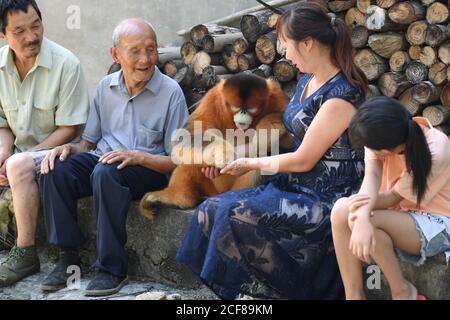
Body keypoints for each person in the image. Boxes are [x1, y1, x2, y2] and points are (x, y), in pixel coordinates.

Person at [176, 2, 368, 300]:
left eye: (286, 43)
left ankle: (274, 291)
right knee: (210, 209)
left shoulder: (341, 95)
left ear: (307, 43)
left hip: (326, 195)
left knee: (235, 214)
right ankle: (258, 293)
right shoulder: (307, 80)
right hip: (294, 184)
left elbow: (304, 159)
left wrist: (249, 163)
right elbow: (294, 138)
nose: (283, 52)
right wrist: (227, 159)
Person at [38, 18, 189, 297]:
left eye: (151, 49)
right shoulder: (105, 88)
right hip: (105, 162)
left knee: (105, 172)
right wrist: (69, 149)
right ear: (115, 55)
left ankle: (112, 268)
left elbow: (178, 161)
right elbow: (88, 143)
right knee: (55, 167)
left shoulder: (171, 93)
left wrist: (138, 157)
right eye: (135, 51)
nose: (145, 59)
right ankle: (68, 257)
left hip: (148, 169)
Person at [0, 0, 89, 287]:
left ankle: (25, 251)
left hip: (60, 155)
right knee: (12, 161)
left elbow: (69, 128)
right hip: (19, 154)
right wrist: (3, 153)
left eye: (36, 25)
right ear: (3, 35)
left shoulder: (66, 64)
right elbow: (2, 121)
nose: (31, 36)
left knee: (18, 163)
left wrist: (20, 160)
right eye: (20, 31)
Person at [330, 96, 450, 300]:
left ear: (386, 151)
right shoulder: (383, 133)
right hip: (398, 216)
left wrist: (361, 217)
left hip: (436, 223)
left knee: (354, 215)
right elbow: (372, 175)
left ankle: (402, 291)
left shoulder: (436, 149)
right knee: (341, 209)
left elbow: (392, 198)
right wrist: (361, 214)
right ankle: (354, 296)